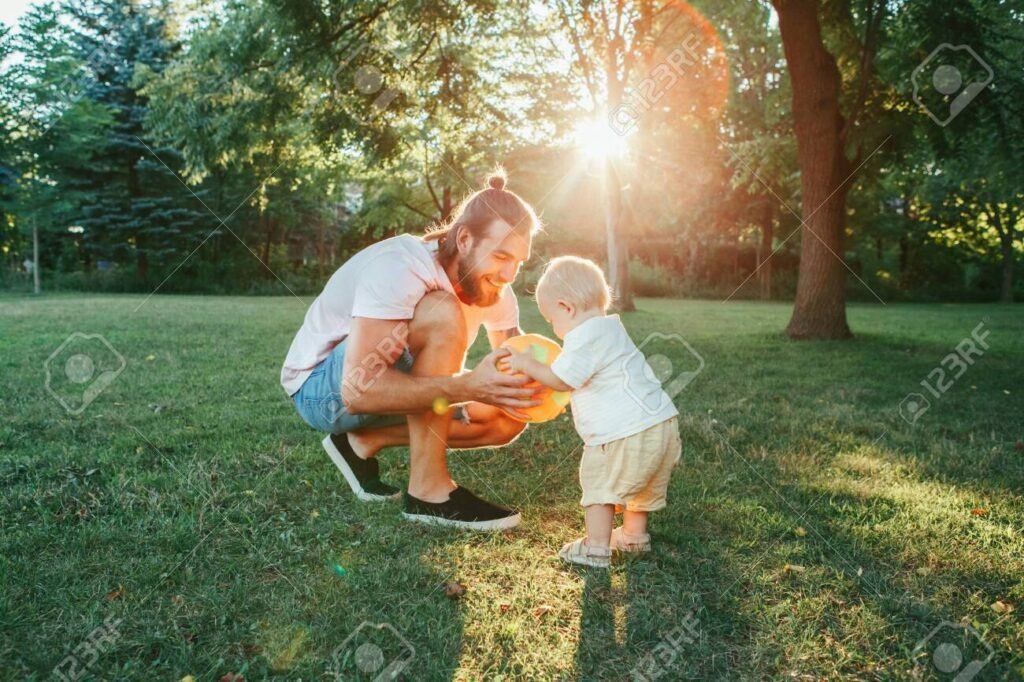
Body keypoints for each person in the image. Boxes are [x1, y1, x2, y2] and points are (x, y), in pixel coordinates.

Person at [281, 170, 543, 531]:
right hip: (323, 392)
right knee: (442, 310)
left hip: (381, 393)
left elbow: (515, 358)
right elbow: (358, 391)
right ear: (464, 239)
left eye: (520, 261)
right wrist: (469, 387)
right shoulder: (401, 266)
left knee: (507, 417)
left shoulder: (494, 286)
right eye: (501, 256)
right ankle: (428, 492)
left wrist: (549, 382)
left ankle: (362, 442)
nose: (510, 273)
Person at [500, 256, 681, 567]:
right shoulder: (610, 330)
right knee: (645, 486)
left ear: (567, 308)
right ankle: (633, 537)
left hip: (624, 432)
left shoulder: (583, 337)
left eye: (551, 320)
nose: (554, 329)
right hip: (662, 426)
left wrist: (527, 364)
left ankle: (596, 549)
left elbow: (561, 379)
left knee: (599, 482)